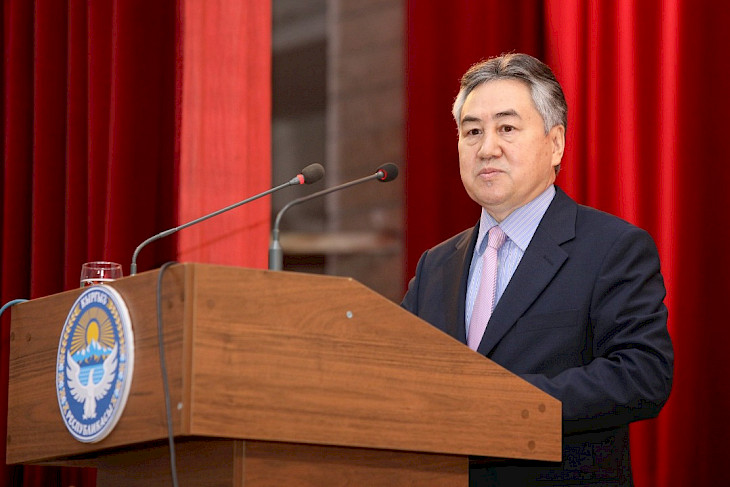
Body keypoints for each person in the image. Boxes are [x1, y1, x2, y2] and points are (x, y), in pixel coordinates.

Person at [401, 53, 673, 486]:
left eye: (507, 128)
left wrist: (500, 404)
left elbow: (641, 375)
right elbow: (397, 375)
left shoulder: (611, 248)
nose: (487, 148)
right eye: (472, 131)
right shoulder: (436, 264)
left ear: (556, 143)